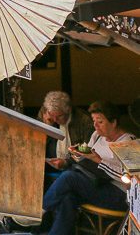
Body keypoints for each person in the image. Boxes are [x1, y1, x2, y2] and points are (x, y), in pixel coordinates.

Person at [41, 101, 136, 235]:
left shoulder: (129, 142)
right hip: (95, 184)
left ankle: (41, 211)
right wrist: (77, 154)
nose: (95, 126)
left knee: (69, 178)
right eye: (94, 121)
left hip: (118, 194)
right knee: (68, 197)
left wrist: (97, 159)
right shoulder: (97, 136)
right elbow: (87, 158)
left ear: (113, 122)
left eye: (100, 122)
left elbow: (128, 177)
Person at [39, 91, 94, 171]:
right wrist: (47, 127)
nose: (55, 119)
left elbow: (88, 150)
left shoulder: (84, 121)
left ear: (68, 110)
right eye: (52, 115)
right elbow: (38, 145)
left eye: (59, 116)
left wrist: (67, 162)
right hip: (49, 164)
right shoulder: (45, 115)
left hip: (74, 167)